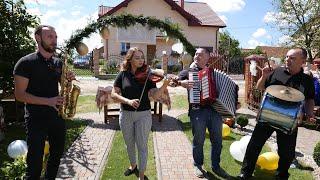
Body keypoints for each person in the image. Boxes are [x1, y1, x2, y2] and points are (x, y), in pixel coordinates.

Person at [237, 48, 315, 180]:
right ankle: (246, 173)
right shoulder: (277, 72)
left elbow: (309, 99)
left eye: (292, 58)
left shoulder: (307, 80)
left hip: (289, 121)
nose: (287, 60)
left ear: (302, 61)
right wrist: (264, 76)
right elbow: (259, 88)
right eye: (287, 57)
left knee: (287, 153)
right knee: (254, 146)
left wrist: (309, 113)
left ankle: (281, 176)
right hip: (268, 116)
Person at [14, 25, 75, 179]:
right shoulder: (25, 63)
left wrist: (68, 81)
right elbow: (20, 95)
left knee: (56, 157)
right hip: (36, 118)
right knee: (34, 162)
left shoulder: (58, 63)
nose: (54, 41)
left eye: (55, 37)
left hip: (57, 116)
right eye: (50, 37)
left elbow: (63, 87)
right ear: (38, 38)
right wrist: (48, 101)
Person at [111, 47, 167, 180]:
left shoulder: (148, 75)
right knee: (129, 144)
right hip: (126, 114)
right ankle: (133, 165)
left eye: (142, 57)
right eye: (137, 58)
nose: (141, 60)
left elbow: (154, 96)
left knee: (142, 146)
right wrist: (128, 101)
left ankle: (141, 176)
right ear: (130, 60)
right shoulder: (123, 75)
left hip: (143, 115)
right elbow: (113, 94)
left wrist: (165, 85)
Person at [175, 48, 230, 179]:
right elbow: (173, 82)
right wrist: (181, 82)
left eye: (200, 54)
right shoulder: (188, 71)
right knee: (198, 140)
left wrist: (233, 103)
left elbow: (225, 89)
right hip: (197, 110)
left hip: (215, 111)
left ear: (207, 57)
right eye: (196, 54)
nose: (197, 56)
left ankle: (216, 166)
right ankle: (198, 165)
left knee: (217, 140)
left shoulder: (214, 73)